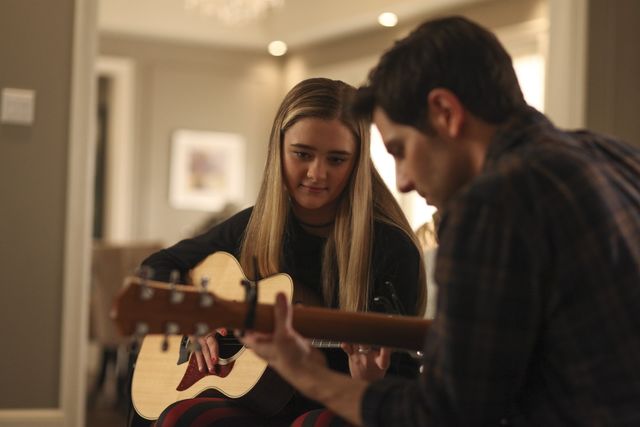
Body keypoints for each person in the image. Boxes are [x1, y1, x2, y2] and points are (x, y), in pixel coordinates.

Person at [239, 16, 640, 426]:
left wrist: (306, 372)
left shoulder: (491, 203)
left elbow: (442, 416)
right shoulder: (614, 155)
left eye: (399, 150)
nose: (403, 181)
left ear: (445, 112)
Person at [137, 77, 427, 426]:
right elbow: (158, 266)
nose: (317, 173)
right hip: (262, 404)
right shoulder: (253, 226)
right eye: (302, 154)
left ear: (358, 162)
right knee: (180, 416)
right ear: (278, 149)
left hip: (333, 406)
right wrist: (195, 320)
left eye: (337, 159)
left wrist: (369, 381)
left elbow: (402, 385)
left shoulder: (391, 249)